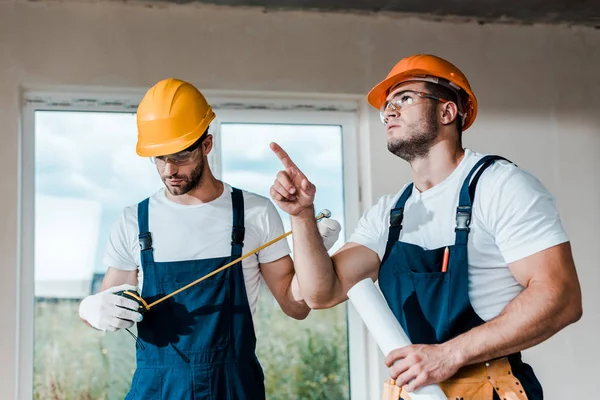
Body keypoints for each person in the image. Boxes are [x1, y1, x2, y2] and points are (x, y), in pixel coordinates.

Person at [268, 54, 582, 400]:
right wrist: (301, 215)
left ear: (448, 112)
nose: (389, 111)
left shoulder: (500, 186)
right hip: (415, 392)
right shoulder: (390, 213)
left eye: (405, 98)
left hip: (491, 389)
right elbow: (320, 293)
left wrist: (448, 355)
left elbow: (561, 297)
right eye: (386, 105)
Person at [78, 78, 341, 399]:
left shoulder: (254, 212)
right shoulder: (133, 220)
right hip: (157, 389)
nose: (169, 169)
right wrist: (91, 309)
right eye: (159, 157)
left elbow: (296, 306)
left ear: (207, 145)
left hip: (233, 387)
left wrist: (309, 243)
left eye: (180, 155)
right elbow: (111, 307)